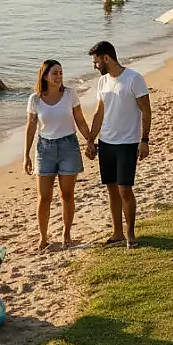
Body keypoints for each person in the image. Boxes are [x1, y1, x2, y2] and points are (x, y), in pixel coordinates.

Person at [86, 41, 151, 250]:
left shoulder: (134, 78)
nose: (95, 66)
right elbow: (99, 112)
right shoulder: (103, 82)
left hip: (127, 143)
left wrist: (145, 140)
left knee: (125, 189)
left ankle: (131, 233)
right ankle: (117, 233)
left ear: (106, 58)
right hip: (106, 143)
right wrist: (90, 140)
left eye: (96, 62)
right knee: (111, 190)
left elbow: (146, 111)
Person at [24, 60, 92, 251]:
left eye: (61, 73)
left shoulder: (70, 94)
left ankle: (67, 234)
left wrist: (89, 140)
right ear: (45, 76)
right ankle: (43, 237)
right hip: (44, 149)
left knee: (67, 194)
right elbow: (30, 128)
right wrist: (26, 155)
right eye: (54, 73)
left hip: (68, 146)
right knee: (44, 197)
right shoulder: (35, 99)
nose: (59, 76)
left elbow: (79, 119)